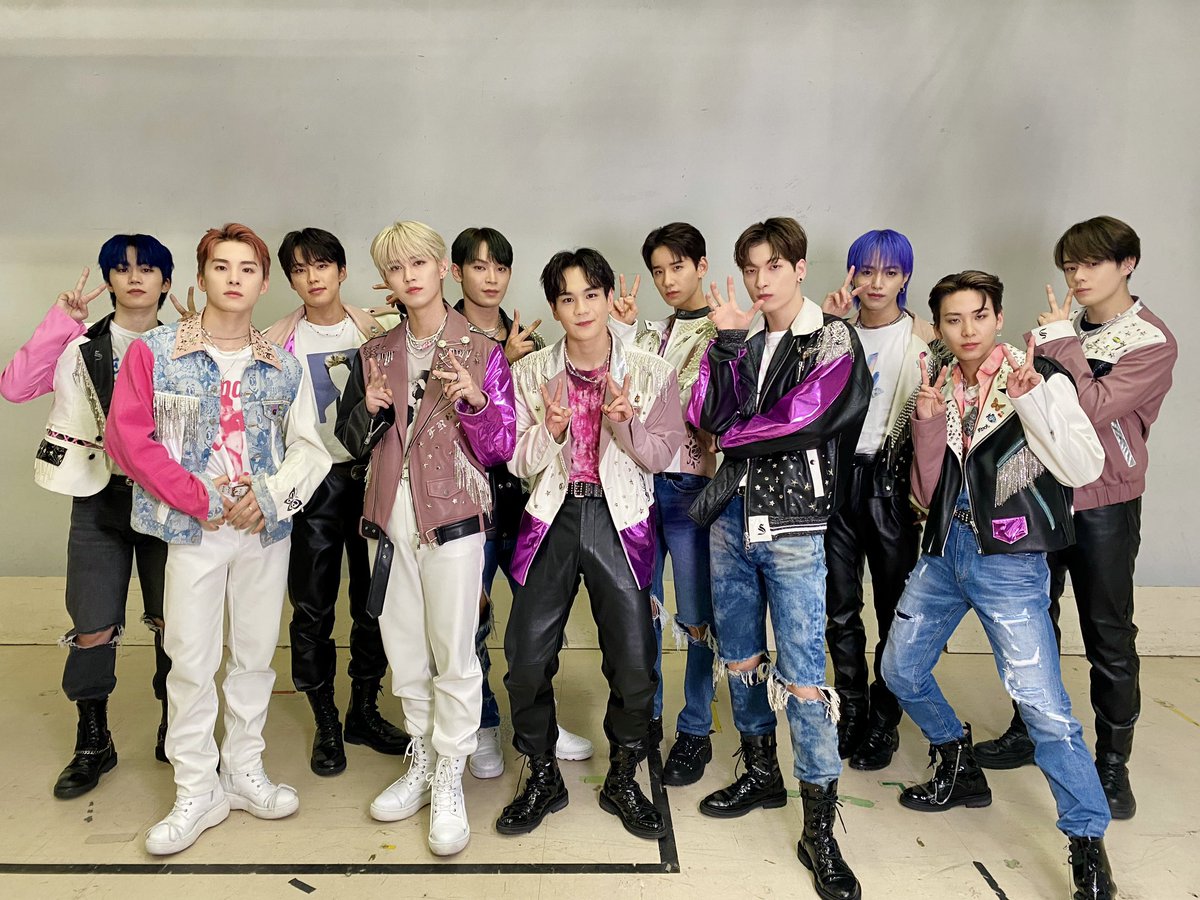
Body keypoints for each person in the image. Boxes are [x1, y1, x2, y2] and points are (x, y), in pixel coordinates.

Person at [880, 269, 1116, 900]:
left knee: (1043, 708)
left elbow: (1084, 467)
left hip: (1010, 561)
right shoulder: (935, 380)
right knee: (900, 669)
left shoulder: (1035, 375)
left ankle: (1086, 840)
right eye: (953, 320)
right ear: (938, 327)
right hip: (943, 552)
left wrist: (1034, 401)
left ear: (999, 316)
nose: (968, 331)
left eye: (979, 316)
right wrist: (927, 423)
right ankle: (957, 763)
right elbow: (925, 493)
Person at [107, 223, 331, 855]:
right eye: (222, 266)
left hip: (262, 531)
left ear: (263, 282)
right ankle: (195, 788)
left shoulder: (283, 365)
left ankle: (244, 770)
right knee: (190, 659)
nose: (234, 279)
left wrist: (269, 498)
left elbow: (309, 448)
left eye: (247, 269)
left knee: (255, 654)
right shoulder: (154, 352)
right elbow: (128, 439)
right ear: (202, 275)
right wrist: (199, 498)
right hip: (192, 529)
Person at [687, 217, 870, 900]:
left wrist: (733, 435)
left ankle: (819, 826)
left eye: (773, 266)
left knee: (802, 677)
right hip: (729, 519)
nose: (761, 280)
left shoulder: (831, 337)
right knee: (739, 657)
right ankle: (762, 773)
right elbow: (708, 414)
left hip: (793, 524)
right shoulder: (742, 337)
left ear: (799, 268)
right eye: (751, 268)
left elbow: (807, 416)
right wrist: (728, 344)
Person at [974, 217, 1177, 822]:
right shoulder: (1056, 331)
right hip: (1041, 495)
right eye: (1070, 266)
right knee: (1030, 619)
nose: (1079, 276)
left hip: (1105, 502)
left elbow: (1090, 408)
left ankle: (1112, 764)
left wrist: (1060, 343)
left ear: (1127, 264)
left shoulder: (1150, 340)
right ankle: (1029, 729)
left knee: (1108, 633)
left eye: (1092, 263)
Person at [336, 220, 515, 857]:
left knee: (454, 649)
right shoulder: (376, 351)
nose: (409, 276)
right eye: (395, 267)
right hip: (388, 516)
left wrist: (475, 402)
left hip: (454, 516)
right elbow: (350, 441)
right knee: (405, 645)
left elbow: (502, 446)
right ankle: (421, 755)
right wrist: (368, 411)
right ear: (386, 279)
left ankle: (449, 773)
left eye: (419, 263)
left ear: (443, 269)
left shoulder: (481, 348)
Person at [496, 247, 683, 841]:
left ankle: (623, 776)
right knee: (525, 657)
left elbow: (662, 455)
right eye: (567, 298)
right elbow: (515, 460)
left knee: (634, 660)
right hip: (551, 516)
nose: (581, 309)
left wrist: (624, 423)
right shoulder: (529, 373)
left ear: (606, 299)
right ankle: (542, 773)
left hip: (619, 516)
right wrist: (549, 431)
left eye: (591, 295)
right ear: (554, 308)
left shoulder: (651, 371)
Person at [1, 234, 175, 798]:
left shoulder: (183, 344)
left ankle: (178, 726)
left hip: (166, 498)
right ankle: (93, 740)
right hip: (98, 496)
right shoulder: (79, 344)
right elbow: (15, 388)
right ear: (109, 280)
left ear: (166, 282)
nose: (134, 278)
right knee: (92, 622)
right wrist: (60, 323)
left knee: (174, 620)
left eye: (147, 269)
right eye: (121, 269)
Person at [261, 227, 409, 777]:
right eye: (300, 269)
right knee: (312, 605)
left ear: (342, 271)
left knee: (374, 599)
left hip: (371, 477)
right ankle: (325, 718)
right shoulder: (274, 342)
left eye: (322, 265)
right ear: (290, 279)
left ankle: (363, 710)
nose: (312, 277)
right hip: (313, 483)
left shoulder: (376, 328)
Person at [446, 226, 592, 779]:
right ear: (457, 272)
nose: (491, 278)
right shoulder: (441, 334)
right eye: (479, 266)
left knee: (538, 620)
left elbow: (534, 426)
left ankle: (542, 724)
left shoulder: (529, 338)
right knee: (472, 621)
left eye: (500, 268)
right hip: (467, 504)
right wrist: (497, 363)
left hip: (527, 502)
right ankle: (483, 725)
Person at [819, 229, 935, 769]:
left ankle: (885, 718)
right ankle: (851, 708)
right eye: (866, 271)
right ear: (852, 274)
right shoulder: (833, 331)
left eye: (889, 272)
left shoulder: (924, 340)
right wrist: (827, 329)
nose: (876, 283)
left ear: (905, 277)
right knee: (840, 607)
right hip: (836, 480)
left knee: (894, 608)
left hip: (891, 486)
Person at [610, 221, 719, 785]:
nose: (668, 279)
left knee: (698, 618)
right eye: (658, 271)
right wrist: (625, 332)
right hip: (642, 487)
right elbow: (627, 393)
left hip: (694, 488)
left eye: (678, 266)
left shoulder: (728, 330)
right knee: (643, 611)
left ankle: (696, 728)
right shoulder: (652, 333)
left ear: (702, 266)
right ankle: (647, 720)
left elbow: (712, 409)